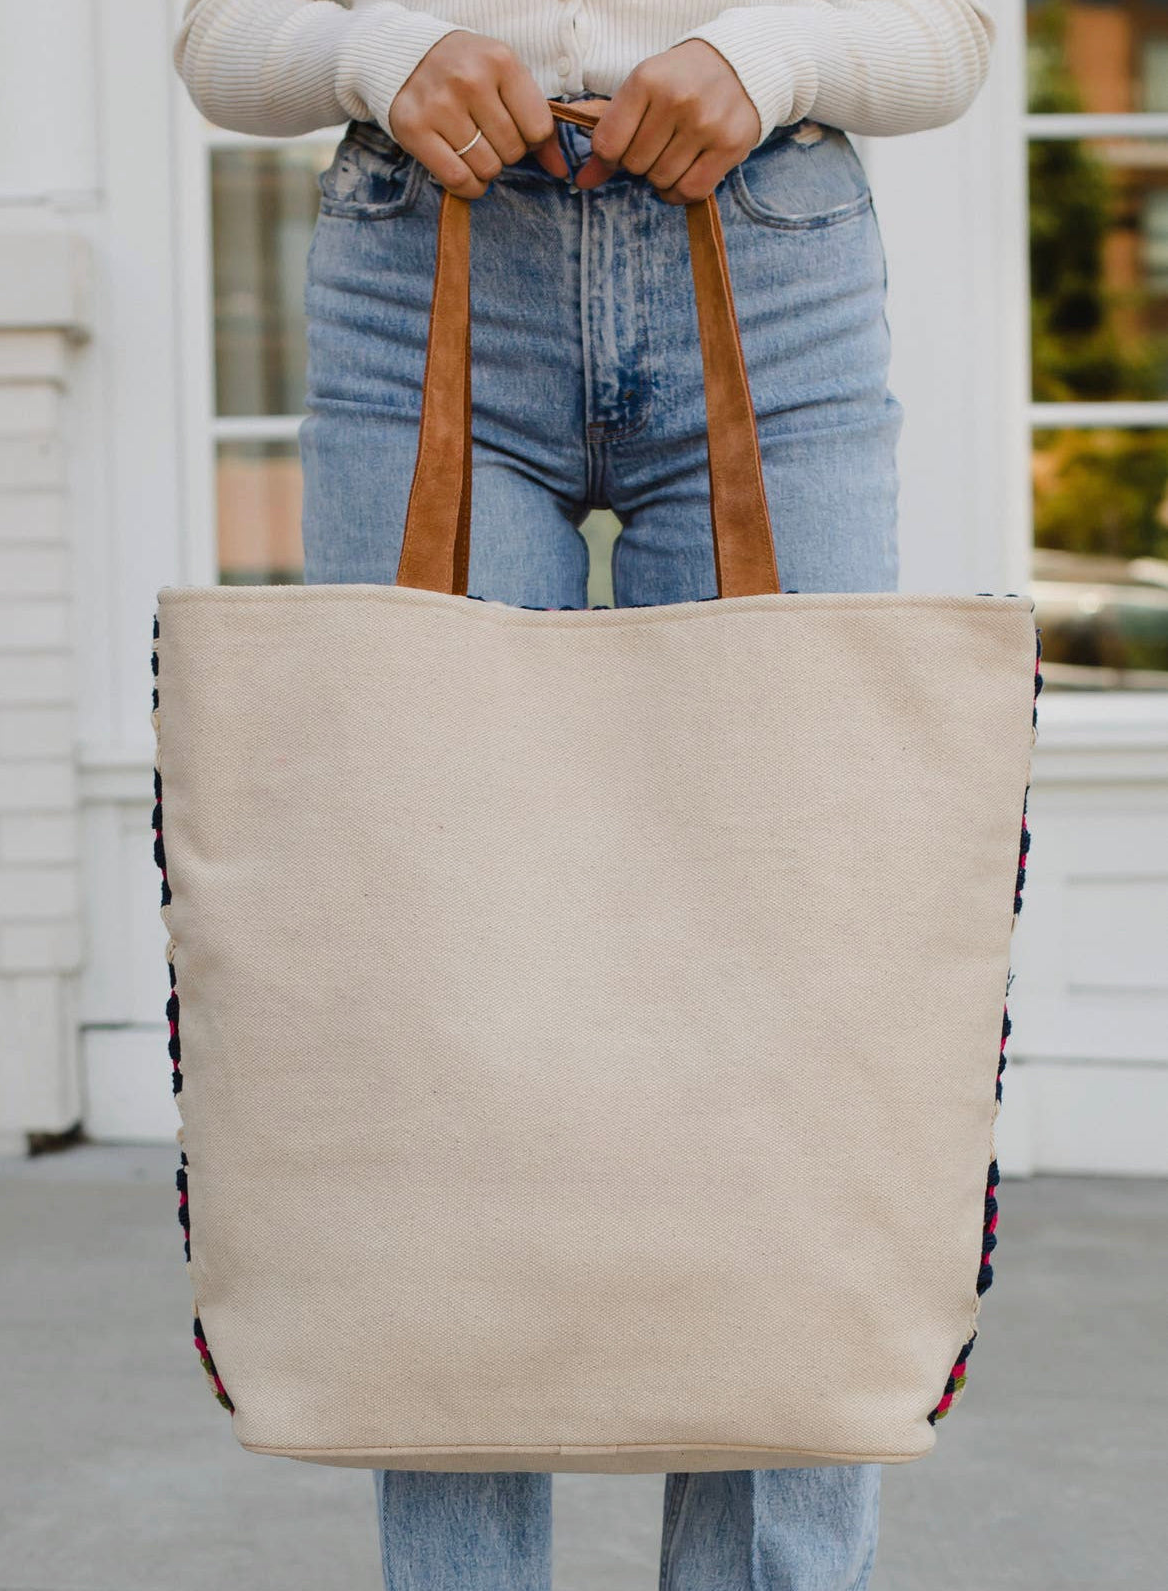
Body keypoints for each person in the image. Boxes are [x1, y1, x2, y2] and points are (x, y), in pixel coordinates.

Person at [174, 3, 996, 1587]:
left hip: (770, 244)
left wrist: (772, 59)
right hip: (422, 242)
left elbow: (950, 35)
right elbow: (222, 44)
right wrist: (381, 51)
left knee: (804, 976)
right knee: (421, 985)